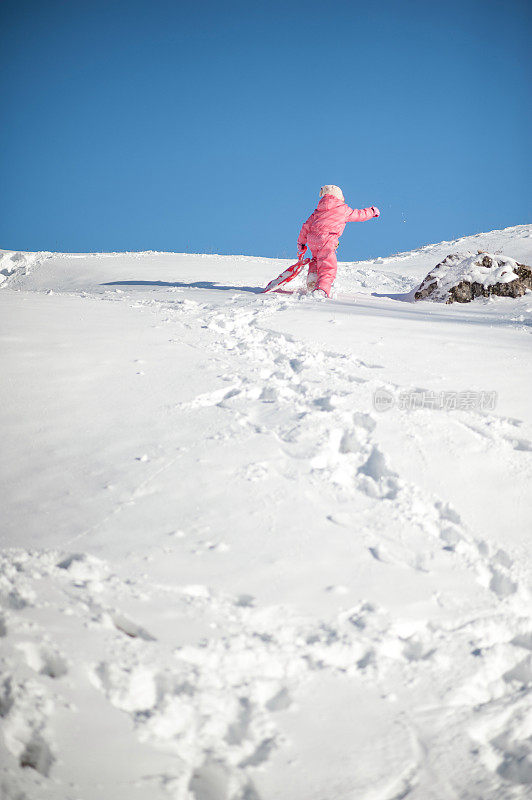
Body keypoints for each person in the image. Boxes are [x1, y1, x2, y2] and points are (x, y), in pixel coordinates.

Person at [297, 185, 380, 298]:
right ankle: (321, 289)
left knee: (316, 260)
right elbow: (359, 215)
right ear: (339, 197)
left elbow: (306, 226)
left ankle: (312, 279)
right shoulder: (343, 209)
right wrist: (372, 211)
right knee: (327, 265)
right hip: (327, 239)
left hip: (313, 240)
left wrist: (301, 243)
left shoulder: (317, 211)